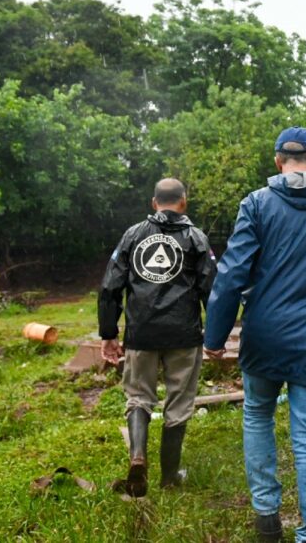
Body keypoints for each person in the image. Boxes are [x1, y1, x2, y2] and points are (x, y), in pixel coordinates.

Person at [204, 127, 306, 543]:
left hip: (263, 336)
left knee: (257, 415)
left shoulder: (256, 204)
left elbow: (232, 272)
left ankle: (267, 520)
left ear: (277, 161)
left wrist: (214, 336)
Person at [97, 178, 216, 498]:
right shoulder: (196, 238)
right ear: (184, 202)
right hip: (184, 334)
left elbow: (110, 286)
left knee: (138, 397)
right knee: (178, 403)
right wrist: (216, 334)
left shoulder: (132, 235)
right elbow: (211, 289)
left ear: (154, 203)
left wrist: (109, 333)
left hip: (141, 334)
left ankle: (138, 458)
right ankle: (169, 476)